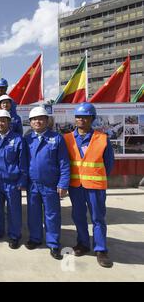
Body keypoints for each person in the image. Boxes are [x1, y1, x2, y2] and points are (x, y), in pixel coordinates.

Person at [63, 102, 115, 268]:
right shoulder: (67, 138)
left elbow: (109, 164)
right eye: (78, 117)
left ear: (92, 118)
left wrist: (97, 177)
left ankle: (101, 250)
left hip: (95, 186)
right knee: (78, 216)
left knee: (98, 218)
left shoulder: (103, 138)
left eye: (85, 117)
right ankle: (83, 244)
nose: (81, 120)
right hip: (76, 185)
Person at [24, 107, 70, 260]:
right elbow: (23, 162)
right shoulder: (27, 139)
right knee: (33, 214)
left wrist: (63, 184)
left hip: (51, 185)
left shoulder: (57, 138)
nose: (38, 121)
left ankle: (53, 244)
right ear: (30, 122)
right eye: (34, 119)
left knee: (52, 215)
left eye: (41, 118)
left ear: (47, 120)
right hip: (32, 185)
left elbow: (64, 163)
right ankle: (35, 238)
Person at [0, 110, 27, 249]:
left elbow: (22, 162)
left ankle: (14, 235)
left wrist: (22, 180)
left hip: (12, 181)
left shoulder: (17, 139)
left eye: (3, 120)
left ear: (9, 122)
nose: (0, 123)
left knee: (14, 210)